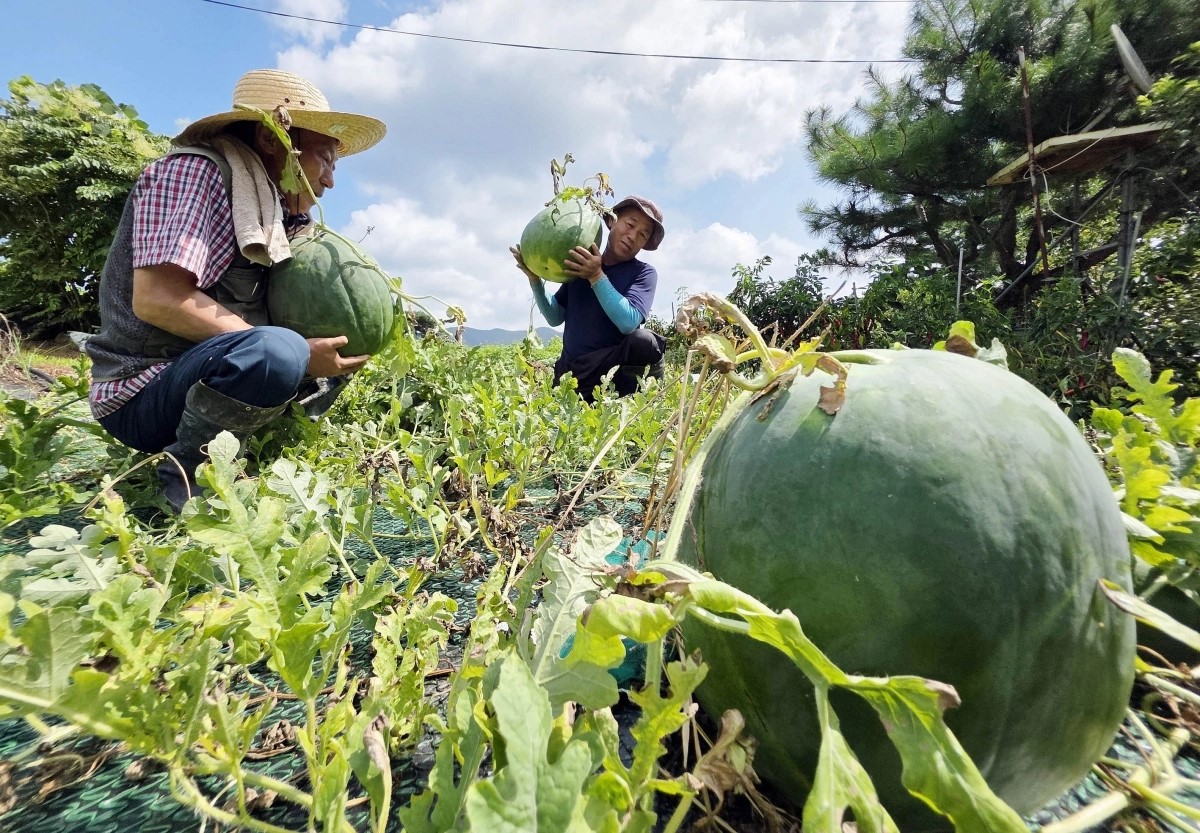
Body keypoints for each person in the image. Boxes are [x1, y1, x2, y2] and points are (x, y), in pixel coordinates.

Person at [84, 69, 386, 511]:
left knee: (329, 339)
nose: (330, 182)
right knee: (280, 351)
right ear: (273, 141)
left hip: (206, 376)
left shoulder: (276, 214)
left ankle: (247, 441)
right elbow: (157, 298)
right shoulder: (192, 173)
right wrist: (298, 354)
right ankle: (187, 486)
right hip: (143, 391)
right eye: (325, 159)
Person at [511, 195, 667, 402]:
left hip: (612, 373)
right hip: (573, 370)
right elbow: (555, 316)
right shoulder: (581, 264)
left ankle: (645, 398)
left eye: (642, 235)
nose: (632, 236)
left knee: (645, 341)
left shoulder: (643, 273)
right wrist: (535, 280)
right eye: (630, 225)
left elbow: (628, 323)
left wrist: (596, 276)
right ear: (612, 221)